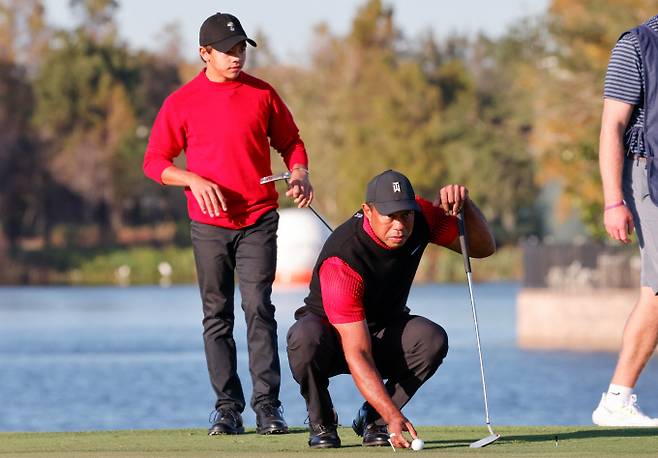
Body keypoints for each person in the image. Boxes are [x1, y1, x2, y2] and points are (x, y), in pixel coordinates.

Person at [143, 12, 313, 435]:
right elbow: (154, 163)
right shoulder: (181, 102)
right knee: (216, 316)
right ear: (205, 53)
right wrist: (191, 179)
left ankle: (268, 408)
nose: (237, 57)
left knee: (259, 309)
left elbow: (291, 142)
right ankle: (227, 408)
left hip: (258, 219)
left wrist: (300, 172)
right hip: (208, 225)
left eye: (241, 49)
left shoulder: (263, 94)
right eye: (228, 50)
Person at [286, 169, 495, 449]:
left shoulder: (421, 216)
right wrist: (395, 413)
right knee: (304, 339)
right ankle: (322, 420)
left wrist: (466, 205)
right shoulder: (343, 259)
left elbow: (483, 248)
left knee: (431, 340)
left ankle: (375, 420)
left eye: (404, 215)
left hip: (384, 330)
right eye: (390, 216)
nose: (400, 224)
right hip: (331, 339)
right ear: (367, 211)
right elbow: (357, 352)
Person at [593, 14, 658, 427]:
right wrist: (612, 200)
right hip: (648, 174)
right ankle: (616, 399)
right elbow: (611, 127)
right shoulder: (636, 45)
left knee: (655, 290)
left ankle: (618, 398)